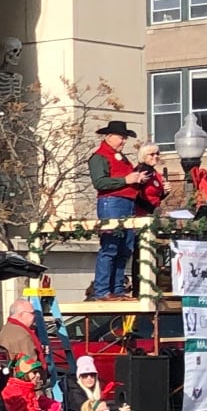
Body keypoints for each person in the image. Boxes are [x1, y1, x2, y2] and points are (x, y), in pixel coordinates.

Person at [87, 119, 146, 300]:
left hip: (127, 203)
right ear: (109, 136)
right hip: (111, 203)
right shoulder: (99, 157)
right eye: (121, 137)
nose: (124, 141)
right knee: (110, 246)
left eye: (125, 138)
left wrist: (137, 179)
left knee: (125, 248)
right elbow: (99, 182)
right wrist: (126, 180)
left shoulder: (121, 158)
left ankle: (117, 290)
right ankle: (102, 290)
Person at [0, 297, 44, 378]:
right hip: (23, 382)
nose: (35, 316)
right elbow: (31, 367)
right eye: (32, 313)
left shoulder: (8, 328)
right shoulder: (22, 335)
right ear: (21, 315)